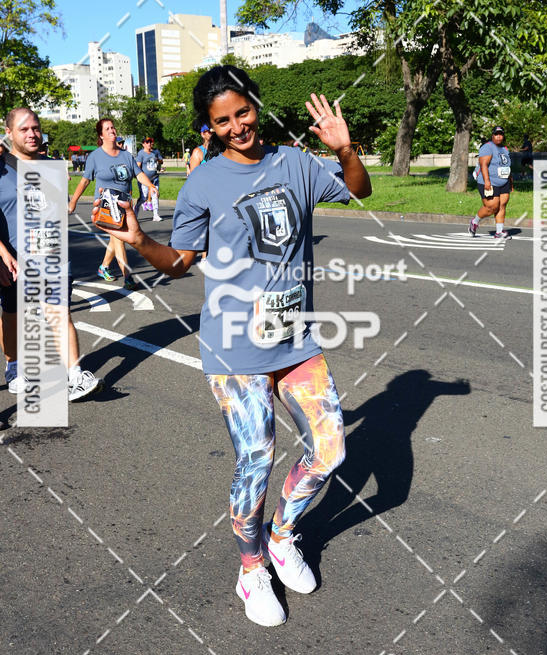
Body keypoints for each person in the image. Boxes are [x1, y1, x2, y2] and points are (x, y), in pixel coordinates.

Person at [92, 65, 371, 626]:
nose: (238, 126)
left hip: (295, 339)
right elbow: (180, 265)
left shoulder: (295, 162)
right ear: (211, 127)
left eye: (243, 112)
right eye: (224, 121)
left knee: (330, 450)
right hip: (232, 350)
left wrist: (345, 151)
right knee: (256, 461)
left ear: (256, 106)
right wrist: (142, 241)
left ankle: (282, 537)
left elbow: (360, 191)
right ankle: (250, 570)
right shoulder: (203, 182)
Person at [1, 108, 100, 400]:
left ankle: (75, 375)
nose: (32, 134)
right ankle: (15, 367)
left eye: (35, 128)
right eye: (24, 129)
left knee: (59, 311)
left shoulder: (53, 166)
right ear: (9, 133)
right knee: (12, 313)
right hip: (12, 256)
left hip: (50, 251)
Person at [68, 119, 157, 288]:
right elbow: (85, 181)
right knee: (118, 237)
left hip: (124, 204)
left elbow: (138, 174)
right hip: (105, 205)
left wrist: (151, 186)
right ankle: (128, 277)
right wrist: (73, 202)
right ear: (101, 135)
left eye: (113, 127)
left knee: (115, 238)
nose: (112, 130)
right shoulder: (95, 156)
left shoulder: (125, 155)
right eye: (107, 128)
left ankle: (104, 267)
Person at [469, 126, 513, 240]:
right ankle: (475, 221)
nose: (499, 136)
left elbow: (507, 165)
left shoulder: (505, 149)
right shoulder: (487, 147)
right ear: (492, 135)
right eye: (496, 134)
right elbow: (483, 164)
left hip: (504, 182)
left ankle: (499, 232)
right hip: (489, 182)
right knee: (491, 207)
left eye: (501, 134)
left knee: (502, 205)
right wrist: (487, 181)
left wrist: (510, 181)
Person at [134, 137, 163, 222]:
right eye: (147, 142)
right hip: (145, 180)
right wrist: (138, 177)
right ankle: (135, 211)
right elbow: (138, 166)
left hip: (154, 178)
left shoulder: (156, 152)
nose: (149, 144)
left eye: (150, 142)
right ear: (143, 144)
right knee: (143, 198)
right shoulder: (141, 153)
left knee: (155, 195)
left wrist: (159, 160)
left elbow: (161, 161)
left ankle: (156, 215)